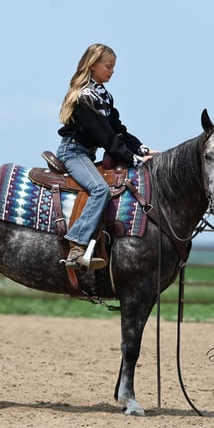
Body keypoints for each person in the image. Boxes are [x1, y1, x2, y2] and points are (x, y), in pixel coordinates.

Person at [56, 43, 158, 269]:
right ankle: (77, 245)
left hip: (85, 153)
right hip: (73, 152)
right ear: (93, 66)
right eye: (108, 66)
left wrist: (142, 149)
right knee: (100, 189)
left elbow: (117, 131)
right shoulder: (84, 97)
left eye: (113, 67)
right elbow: (105, 138)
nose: (112, 71)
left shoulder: (104, 96)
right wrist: (134, 160)